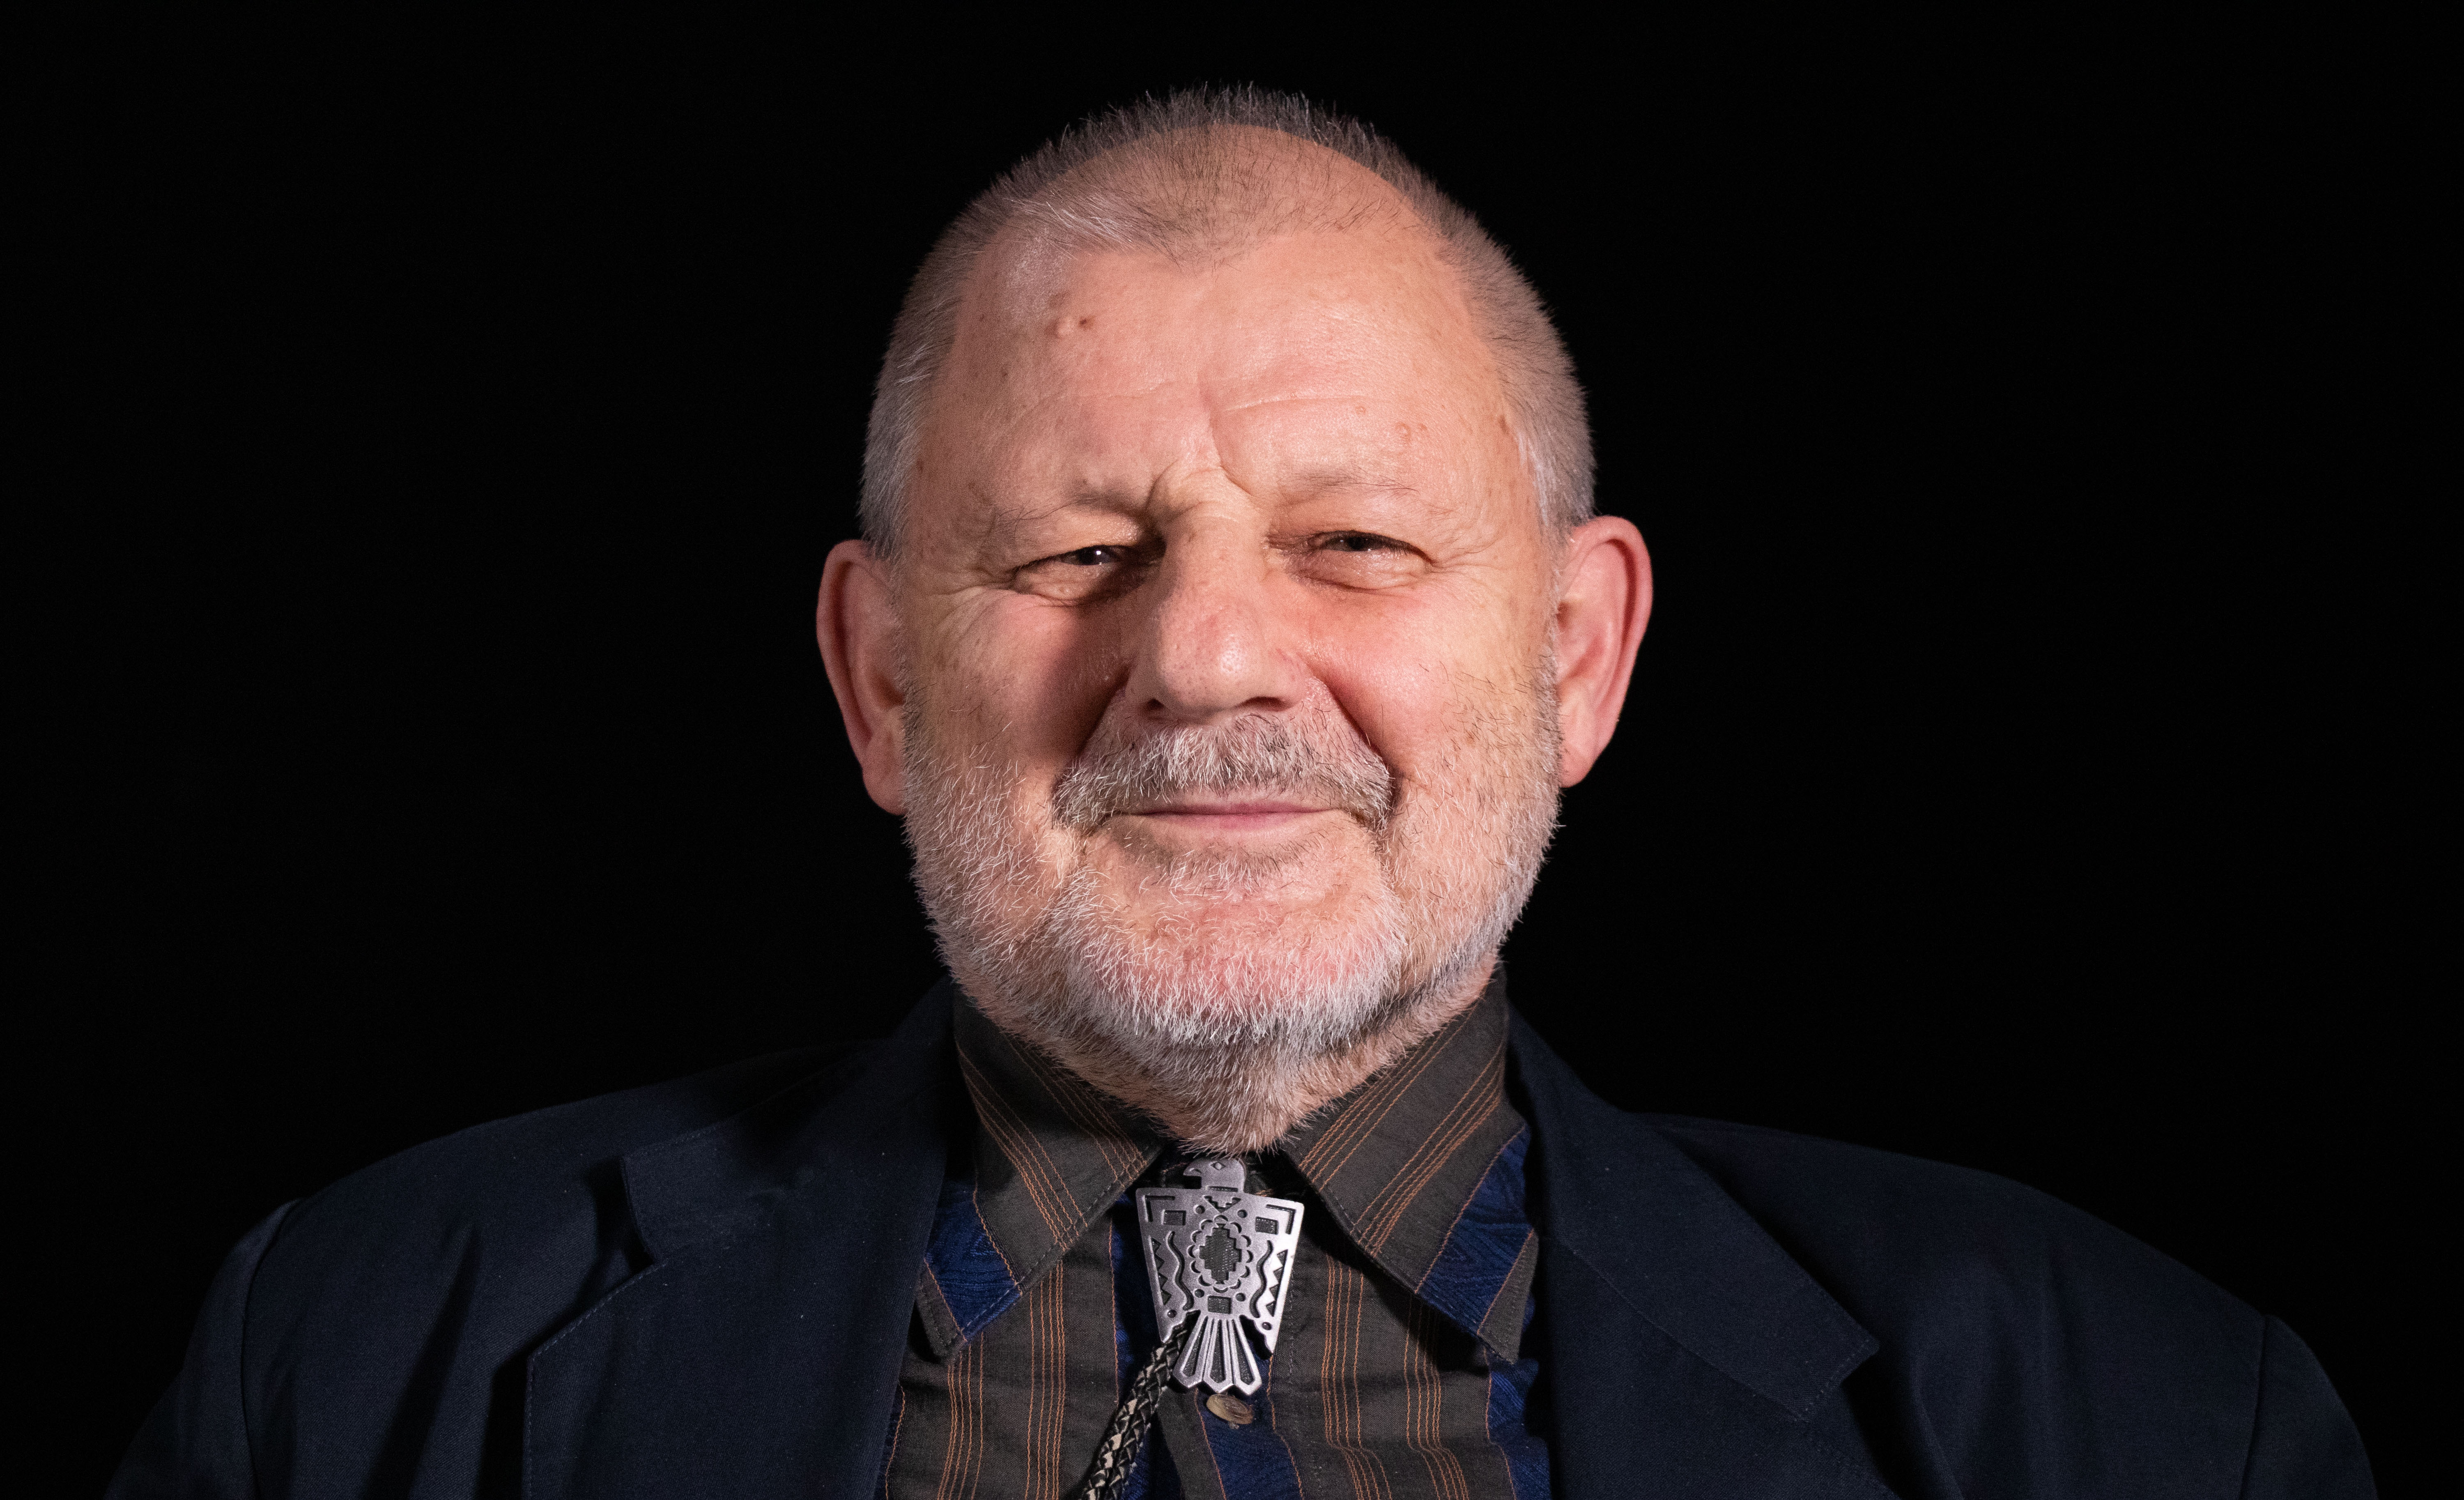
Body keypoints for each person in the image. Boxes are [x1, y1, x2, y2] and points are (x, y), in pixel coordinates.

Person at [109, 87, 2373, 1500]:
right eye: (1073, 555)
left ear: (1575, 658)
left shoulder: (2156, 1427)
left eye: (1354, 542)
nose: (1201, 657)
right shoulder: (345, 1366)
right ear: (880, 678)